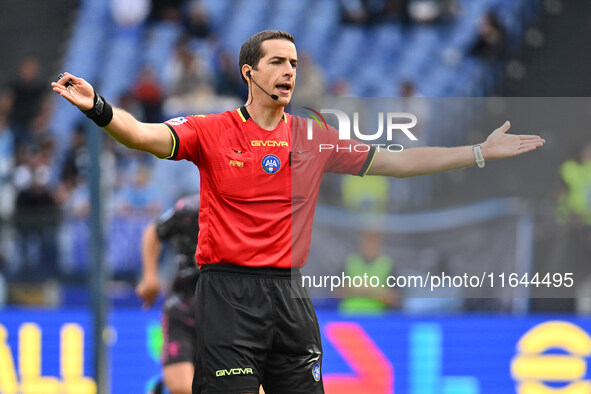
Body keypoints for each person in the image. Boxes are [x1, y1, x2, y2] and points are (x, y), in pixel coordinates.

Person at [52, 30, 544, 393]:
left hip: (289, 292)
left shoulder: (313, 136)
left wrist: (477, 151)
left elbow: (397, 160)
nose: (290, 71)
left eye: (293, 63)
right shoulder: (213, 130)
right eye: (278, 62)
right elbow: (140, 134)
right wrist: (97, 105)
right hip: (227, 294)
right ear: (250, 72)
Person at [136, 194, 200, 394]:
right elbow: (153, 232)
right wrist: (150, 278)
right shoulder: (190, 209)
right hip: (184, 307)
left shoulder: (252, 211)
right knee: (181, 387)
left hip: (231, 312)